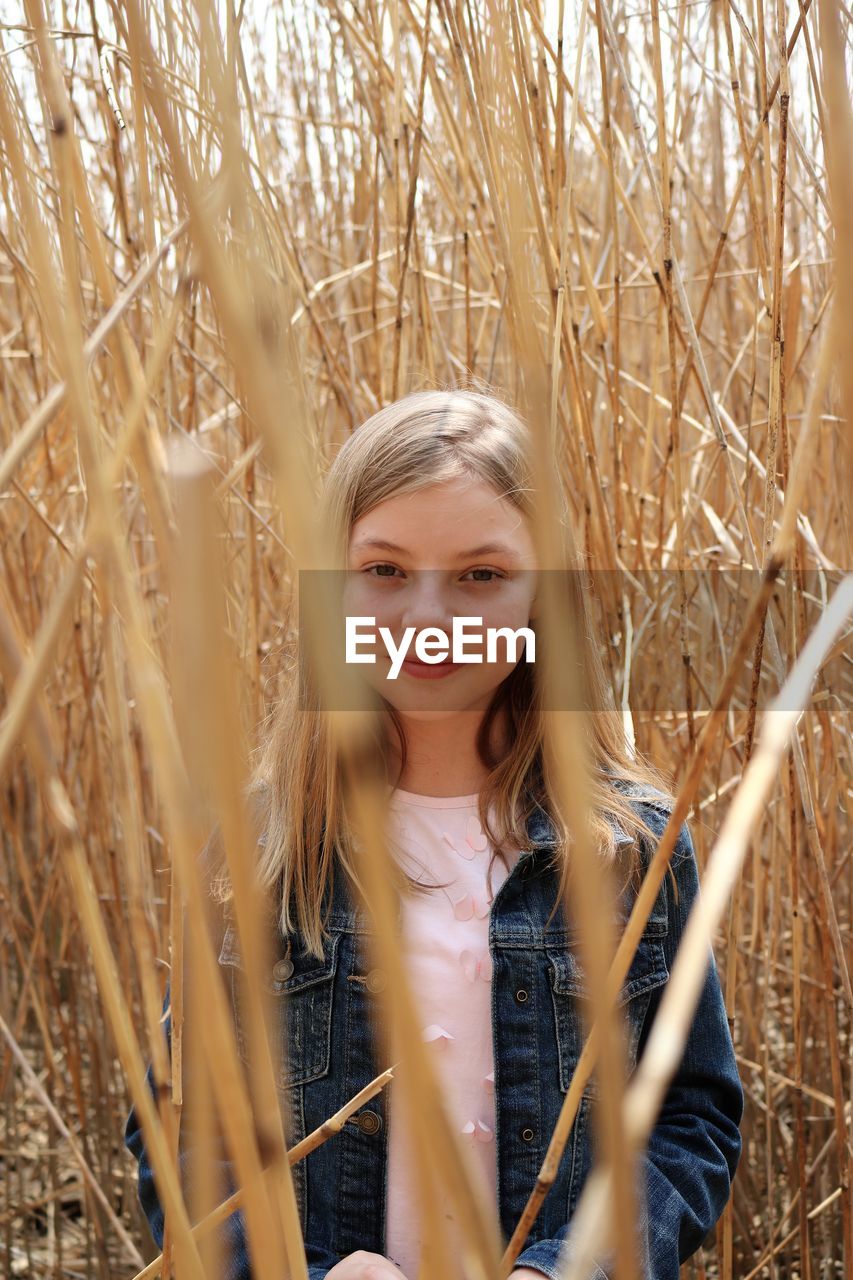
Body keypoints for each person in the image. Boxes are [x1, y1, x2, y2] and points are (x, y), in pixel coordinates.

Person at [125, 388, 743, 1280]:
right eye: (382, 571)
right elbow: (182, 1127)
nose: (427, 618)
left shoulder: (632, 847)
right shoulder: (262, 847)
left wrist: (565, 1269)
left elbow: (689, 1116)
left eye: (480, 576)